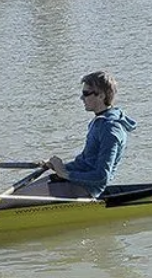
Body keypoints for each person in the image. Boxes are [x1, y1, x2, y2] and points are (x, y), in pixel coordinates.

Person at [40, 71, 137, 199]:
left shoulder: (110, 129)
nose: (81, 98)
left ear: (101, 96)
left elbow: (101, 176)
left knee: (9, 202)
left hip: (87, 189)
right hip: (77, 183)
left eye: (86, 93)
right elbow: (87, 163)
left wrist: (65, 173)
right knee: (15, 195)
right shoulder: (99, 121)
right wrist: (60, 167)